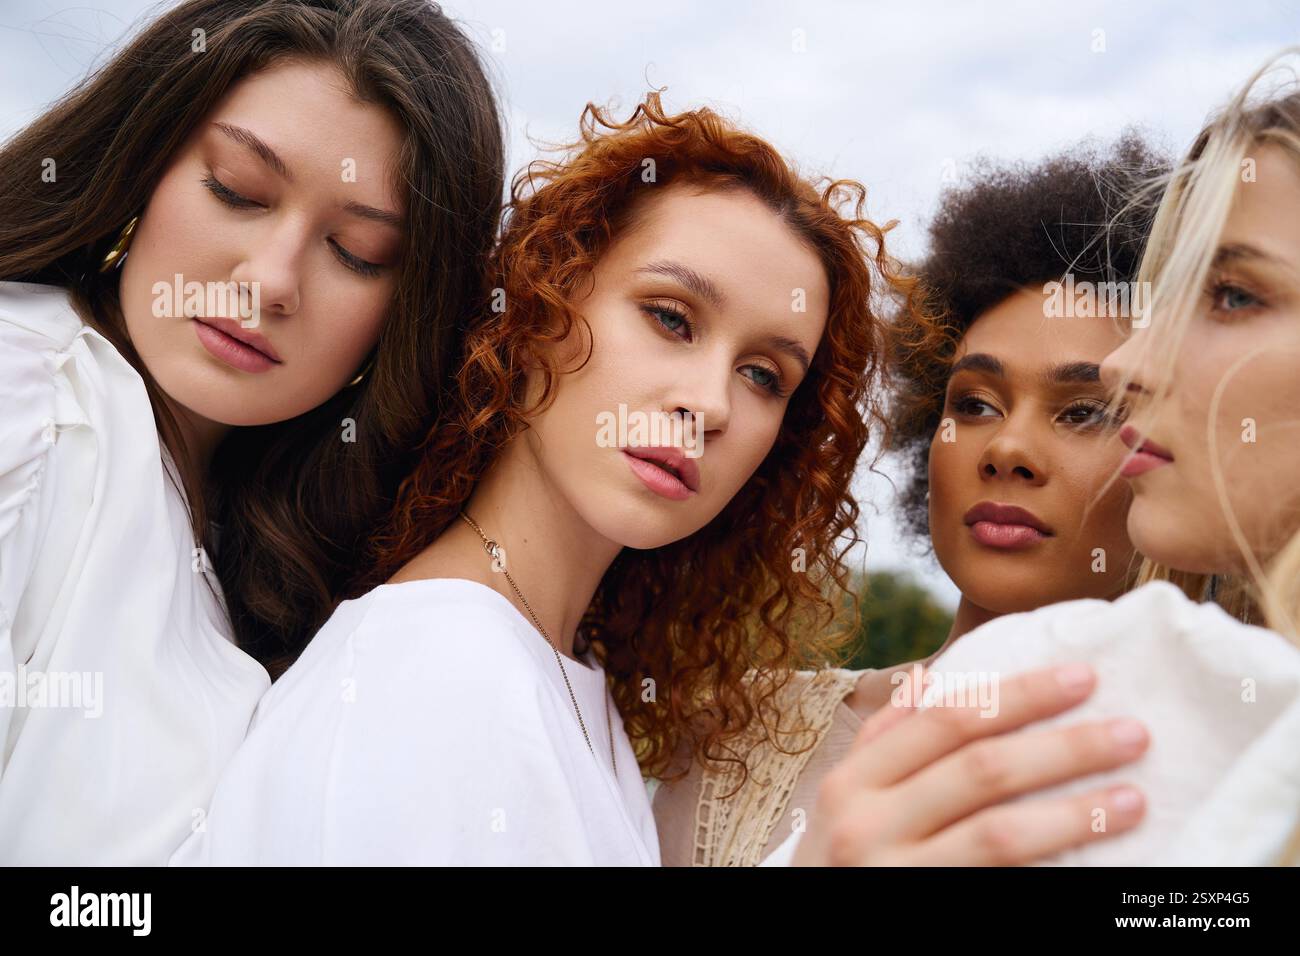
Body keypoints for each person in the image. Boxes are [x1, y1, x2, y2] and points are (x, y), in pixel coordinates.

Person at [172, 94, 1149, 865]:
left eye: (764, 373)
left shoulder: (558, 680)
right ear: (540, 305)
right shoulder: (445, 664)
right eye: (672, 316)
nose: (710, 401)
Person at [0, 0, 504, 864]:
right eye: (237, 190)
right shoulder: (32, 395)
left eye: (356, 253)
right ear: (144, 161)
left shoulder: (275, 556)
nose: (269, 280)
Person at [653, 134, 1167, 865]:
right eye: (977, 403)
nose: (1007, 451)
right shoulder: (742, 736)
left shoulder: (1233, 768)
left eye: (1083, 410)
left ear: (1173, 451)